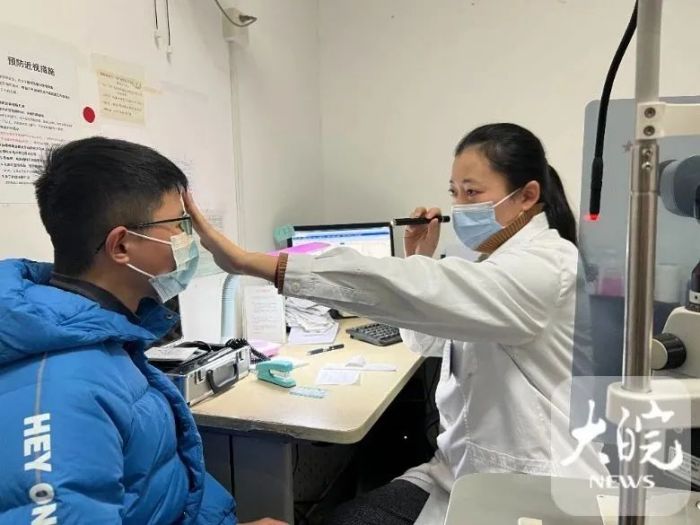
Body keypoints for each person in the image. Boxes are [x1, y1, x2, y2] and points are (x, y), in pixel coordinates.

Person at [184, 123, 607, 524]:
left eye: (473, 192)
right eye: (455, 192)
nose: (460, 206)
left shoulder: (545, 266)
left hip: (535, 484)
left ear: (527, 196)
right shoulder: (500, 264)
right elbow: (426, 339)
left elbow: (428, 289)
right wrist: (419, 256)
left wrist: (258, 263)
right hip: (465, 471)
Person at [0, 137, 285, 525]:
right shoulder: (62, 388)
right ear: (121, 246)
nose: (191, 239)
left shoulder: (108, 335)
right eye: (180, 225)